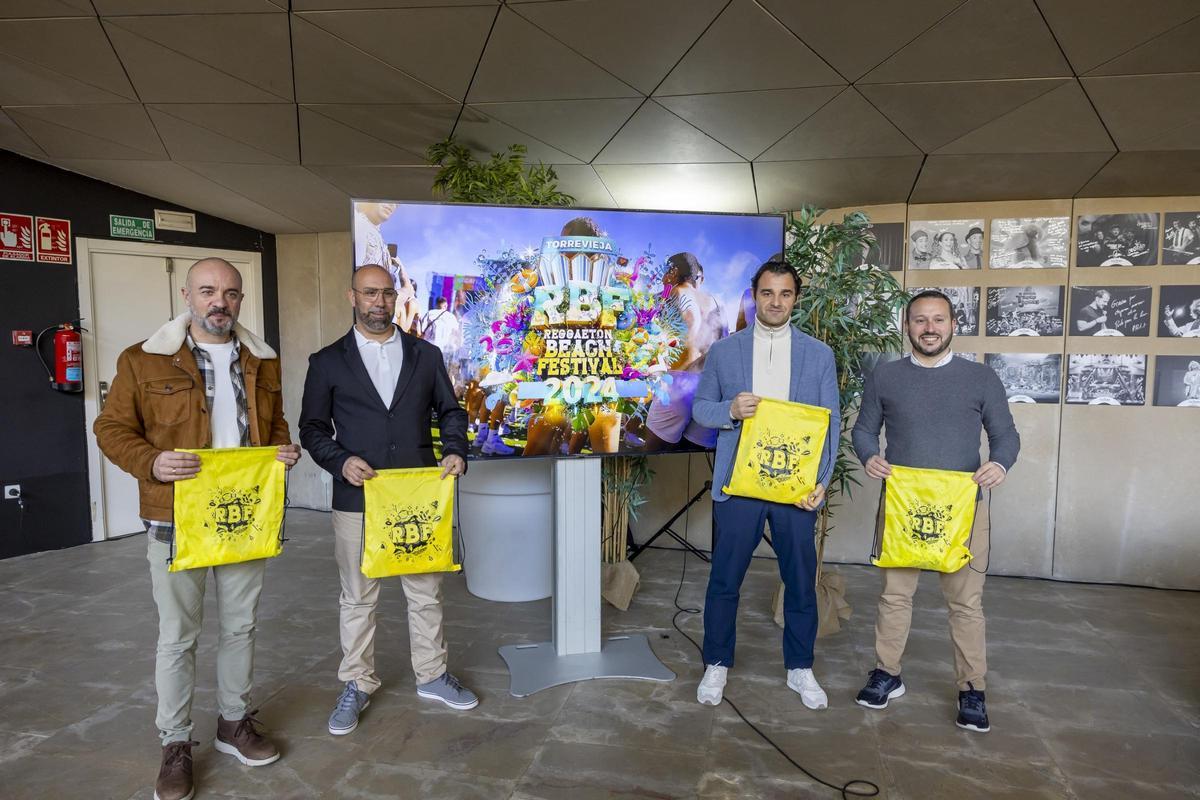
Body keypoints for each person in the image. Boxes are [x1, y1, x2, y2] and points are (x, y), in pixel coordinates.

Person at [93, 257, 300, 800]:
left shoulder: (262, 359)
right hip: (175, 517)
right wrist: (151, 462)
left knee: (240, 628)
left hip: (243, 515)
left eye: (231, 294)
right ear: (186, 294)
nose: (220, 302)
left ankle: (233, 724)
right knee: (177, 637)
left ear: (240, 300)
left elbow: (274, 424)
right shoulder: (142, 360)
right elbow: (111, 429)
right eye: (208, 291)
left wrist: (280, 450)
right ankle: (175, 743)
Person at [299, 264, 474, 738]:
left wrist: (455, 449)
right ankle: (356, 683)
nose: (379, 302)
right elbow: (312, 429)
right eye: (370, 293)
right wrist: (339, 461)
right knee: (357, 597)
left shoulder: (426, 354)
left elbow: (451, 411)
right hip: (357, 496)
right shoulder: (327, 361)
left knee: (425, 593)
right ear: (352, 296)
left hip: (417, 494)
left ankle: (433, 675)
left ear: (396, 298)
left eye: (386, 294)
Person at [851, 290, 1019, 733]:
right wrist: (869, 455)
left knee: (966, 604)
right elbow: (864, 430)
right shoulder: (885, 377)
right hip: (904, 506)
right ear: (907, 327)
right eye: (920, 320)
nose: (929, 328)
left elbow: (1007, 436)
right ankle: (887, 673)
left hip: (963, 509)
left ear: (953, 325)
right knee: (894, 596)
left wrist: (999, 463)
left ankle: (972, 690)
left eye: (938, 320)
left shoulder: (981, 378)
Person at [691, 260, 839, 710]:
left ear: (796, 297)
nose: (776, 302)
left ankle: (800, 668)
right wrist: (730, 411)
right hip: (739, 484)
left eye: (785, 294)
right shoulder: (725, 352)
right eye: (768, 293)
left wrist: (822, 482)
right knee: (724, 580)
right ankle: (716, 662)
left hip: (795, 489)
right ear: (754, 295)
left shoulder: (819, 355)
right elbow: (700, 409)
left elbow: (830, 426)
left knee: (799, 581)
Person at [643, 252, 727, 451]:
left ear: (673, 272)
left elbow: (689, 318)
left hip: (678, 383)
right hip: (708, 388)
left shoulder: (677, 291)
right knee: (689, 454)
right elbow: (723, 343)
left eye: (666, 272)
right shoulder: (715, 301)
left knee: (651, 454)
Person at [419, 296, 461, 369]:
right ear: (446, 305)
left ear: (436, 305)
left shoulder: (429, 313)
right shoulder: (451, 317)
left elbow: (421, 331)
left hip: (429, 349)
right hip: (445, 351)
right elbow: (456, 334)